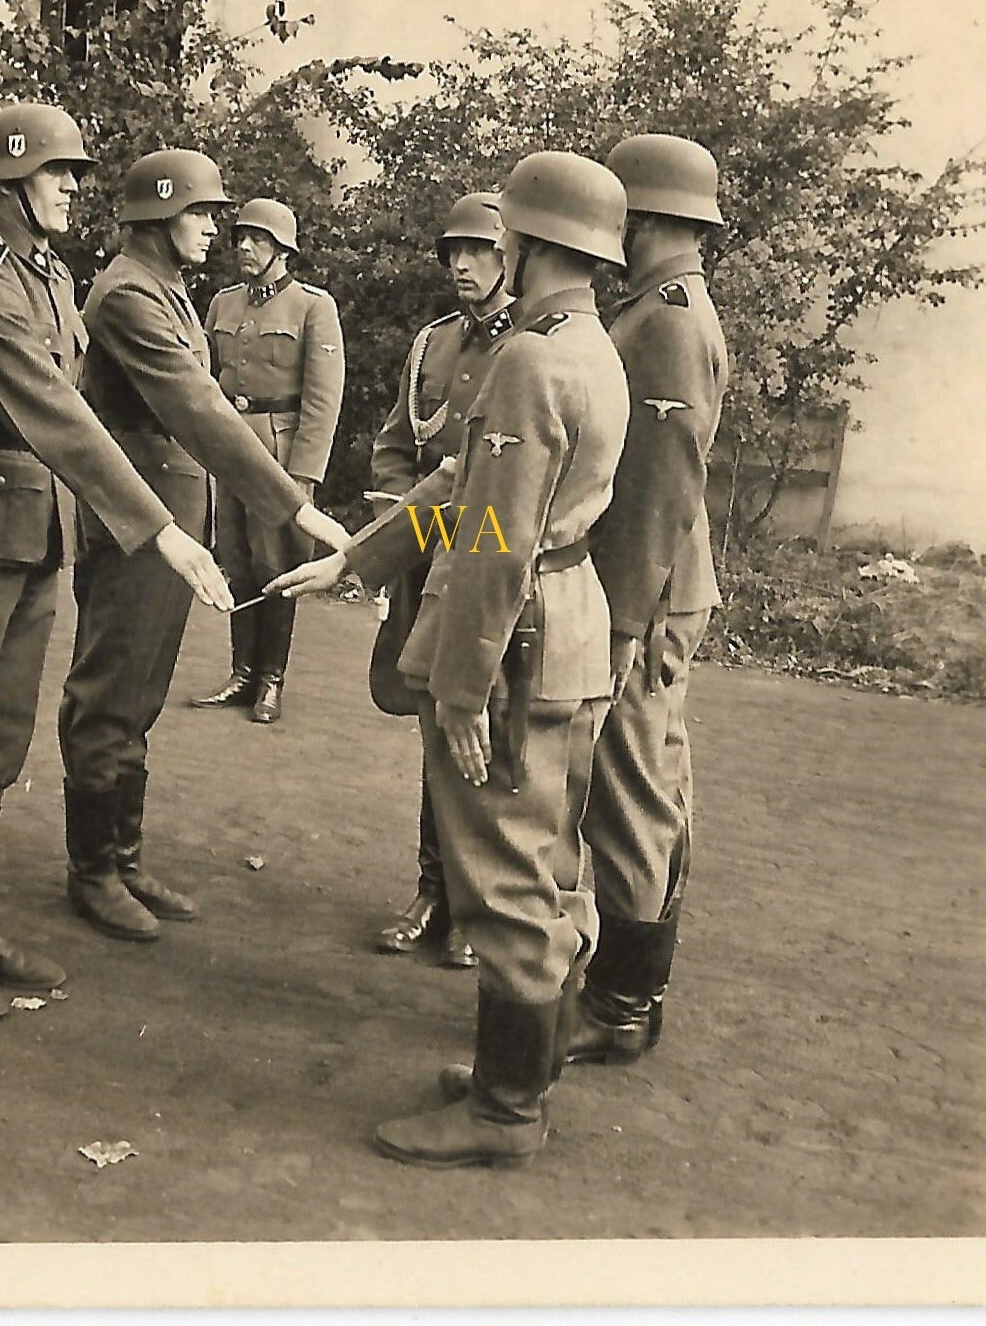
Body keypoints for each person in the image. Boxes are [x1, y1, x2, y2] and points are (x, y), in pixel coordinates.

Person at [269, 152, 631, 1169]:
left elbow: (493, 540)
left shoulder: (528, 360)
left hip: (514, 640)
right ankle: (523, 1074)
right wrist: (356, 558)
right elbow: (464, 484)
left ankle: (505, 1114)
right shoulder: (589, 346)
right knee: (549, 866)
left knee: (504, 879)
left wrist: (465, 689)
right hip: (568, 634)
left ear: (524, 239)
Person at [0, 104, 232, 1024]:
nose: (76, 185)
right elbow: (59, 414)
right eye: (57, 171)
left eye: (76, 170)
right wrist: (159, 528)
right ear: (6, 184)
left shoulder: (49, 276)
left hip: (30, 532)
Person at [58, 151, 350, 943]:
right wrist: (293, 504)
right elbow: (198, 406)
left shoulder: (167, 290)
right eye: (199, 213)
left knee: (141, 690)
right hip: (136, 521)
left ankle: (121, 858)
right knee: (110, 690)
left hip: (172, 515)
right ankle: (94, 871)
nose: (214, 229)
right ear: (158, 215)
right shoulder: (127, 295)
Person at [566, 133, 730, 1066]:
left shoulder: (666, 320)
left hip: (645, 586)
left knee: (628, 790)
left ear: (646, 217)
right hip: (655, 580)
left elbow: (661, 486)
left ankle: (620, 1005)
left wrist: (623, 623)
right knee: (645, 782)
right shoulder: (658, 308)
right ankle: (627, 991)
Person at [365, 192, 517, 970]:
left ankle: (474, 903)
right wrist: (402, 532)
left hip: (490, 570)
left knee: (483, 732)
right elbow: (397, 448)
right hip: (428, 561)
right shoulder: (432, 344)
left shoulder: (529, 350)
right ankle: (433, 891)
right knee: (433, 727)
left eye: (479, 250)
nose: (462, 264)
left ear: (509, 257)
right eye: (453, 251)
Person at [187, 199, 345, 724]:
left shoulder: (312, 307)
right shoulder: (223, 303)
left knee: (277, 566)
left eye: (258, 239)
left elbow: (322, 401)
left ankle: (271, 679)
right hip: (230, 449)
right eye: (241, 238)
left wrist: (304, 476)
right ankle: (242, 673)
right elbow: (204, 380)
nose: (245, 248)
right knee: (236, 562)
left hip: (280, 454)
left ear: (283, 249)